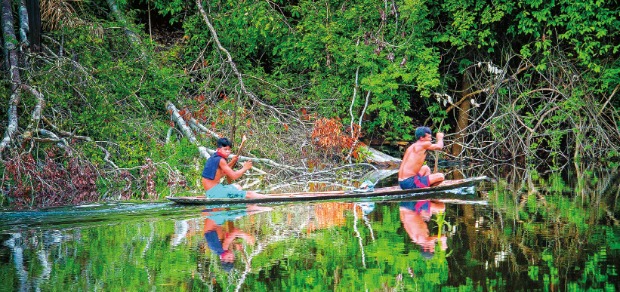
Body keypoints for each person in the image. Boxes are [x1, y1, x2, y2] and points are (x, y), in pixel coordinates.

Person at [201, 137, 269, 199]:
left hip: (211, 191)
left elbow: (222, 173)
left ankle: (236, 197)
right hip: (215, 192)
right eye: (225, 149)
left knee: (237, 187)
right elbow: (234, 176)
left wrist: (232, 162)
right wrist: (245, 168)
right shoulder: (220, 160)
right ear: (218, 149)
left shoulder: (214, 158)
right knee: (249, 194)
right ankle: (268, 198)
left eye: (229, 149)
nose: (228, 151)